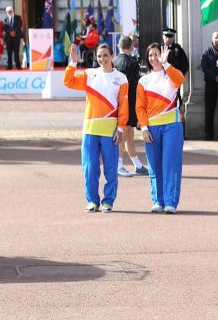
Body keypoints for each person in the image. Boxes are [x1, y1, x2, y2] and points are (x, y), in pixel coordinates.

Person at [64, 43, 128, 213]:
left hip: (110, 130)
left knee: (110, 169)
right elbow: (68, 81)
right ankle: (92, 201)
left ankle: (108, 201)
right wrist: (73, 63)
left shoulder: (121, 78)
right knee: (90, 168)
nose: (102, 59)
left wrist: (121, 129)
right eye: (99, 56)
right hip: (90, 129)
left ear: (112, 56)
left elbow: (123, 106)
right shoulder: (90, 74)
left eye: (105, 55)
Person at [136, 42, 187, 213]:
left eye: (156, 54)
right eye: (150, 55)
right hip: (152, 128)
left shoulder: (171, 75)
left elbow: (181, 80)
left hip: (172, 126)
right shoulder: (144, 80)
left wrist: (166, 63)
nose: (153, 58)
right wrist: (144, 128)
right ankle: (158, 201)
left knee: (170, 163)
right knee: (155, 165)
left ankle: (171, 202)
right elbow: (140, 107)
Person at [113, 36, 148, 177]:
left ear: (118, 46)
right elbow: (133, 86)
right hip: (129, 102)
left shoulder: (114, 62)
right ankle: (119, 165)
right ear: (131, 47)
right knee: (124, 133)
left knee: (128, 134)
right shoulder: (133, 63)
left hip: (117, 101)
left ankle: (137, 164)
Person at [4, 6, 24, 70]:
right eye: (8, 12)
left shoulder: (18, 17)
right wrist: (10, 32)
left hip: (16, 37)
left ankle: (18, 65)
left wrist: (14, 32)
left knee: (16, 51)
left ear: (13, 11)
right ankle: (9, 65)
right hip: (8, 38)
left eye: (11, 11)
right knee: (9, 52)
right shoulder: (5, 19)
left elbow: (19, 25)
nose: (10, 12)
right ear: (6, 12)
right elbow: (5, 28)